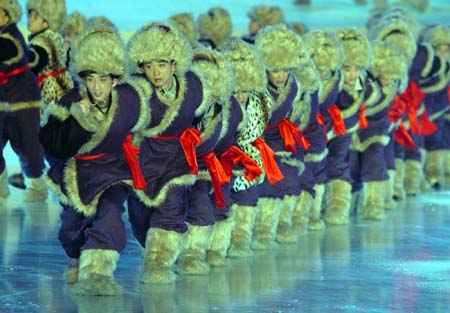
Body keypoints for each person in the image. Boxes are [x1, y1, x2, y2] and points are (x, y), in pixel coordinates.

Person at [39, 25, 149, 296]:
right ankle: (76, 259)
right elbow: (52, 143)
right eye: (91, 79)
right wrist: (80, 120)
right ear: (83, 78)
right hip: (77, 174)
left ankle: (97, 273)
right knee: (72, 228)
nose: (97, 87)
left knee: (111, 215)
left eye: (103, 80)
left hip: (113, 172)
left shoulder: (129, 100)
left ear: (114, 79)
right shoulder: (70, 101)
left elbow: (152, 128)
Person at [126, 22, 212, 284]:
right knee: (139, 216)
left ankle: (159, 263)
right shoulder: (134, 90)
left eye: (161, 64)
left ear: (174, 63)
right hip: (144, 158)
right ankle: (151, 249)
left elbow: (208, 119)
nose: (155, 72)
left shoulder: (194, 87)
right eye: (149, 65)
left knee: (171, 210)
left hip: (177, 157)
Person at [207, 39, 268, 263]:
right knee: (218, 202)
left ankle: (240, 239)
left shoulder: (259, 105)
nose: (241, 95)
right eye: (237, 90)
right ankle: (214, 247)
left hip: (248, 159)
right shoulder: (222, 107)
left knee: (246, 197)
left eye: (245, 90)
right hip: (222, 161)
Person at [254, 23, 307, 249]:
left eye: (286, 69)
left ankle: (280, 225)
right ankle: (261, 231)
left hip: (281, 140)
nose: (281, 75)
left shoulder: (294, 87)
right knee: (266, 185)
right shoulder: (255, 87)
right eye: (275, 70)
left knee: (292, 181)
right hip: (258, 142)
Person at [0, 0, 46, 201]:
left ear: (6, 16)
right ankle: (1, 187)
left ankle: (37, 185)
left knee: (28, 145)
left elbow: (8, 50)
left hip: (23, 99)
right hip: (3, 99)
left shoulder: (12, 36)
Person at [303, 30, 345, 229]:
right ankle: (305, 214)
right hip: (306, 131)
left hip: (330, 126)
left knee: (335, 164)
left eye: (326, 69)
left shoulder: (339, 80)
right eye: (317, 68)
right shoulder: (302, 84)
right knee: (306, 170)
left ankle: (328, 208)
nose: (322, 73)